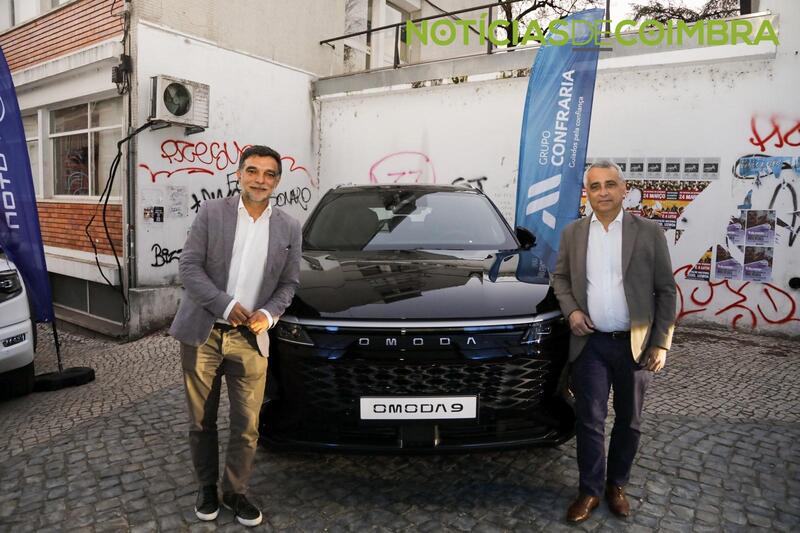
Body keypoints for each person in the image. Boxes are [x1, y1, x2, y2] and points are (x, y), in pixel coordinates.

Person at [169, 145, 302, 527]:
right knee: (201, 420)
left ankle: (235, 491)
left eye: (269, 174)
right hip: (204, 332)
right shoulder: (212, 212)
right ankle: (207, 487)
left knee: (247, 424)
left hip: (251, 339)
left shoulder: (290, 227)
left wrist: (269, 313)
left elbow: (289, 283)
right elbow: (189, 267)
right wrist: (225, 305)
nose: (260, 180)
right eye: (253, 171)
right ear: (239, 174)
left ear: (277, 180)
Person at [551, 160, 676, 523]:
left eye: (610, 184)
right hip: (590, 344)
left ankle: (616, 485)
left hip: (634, 346)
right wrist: (573, 311)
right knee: (589, 420)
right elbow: (560, 279)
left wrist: (661, 343)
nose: (602, 192)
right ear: (587, 193)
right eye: (595, 186)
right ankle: (589, 490)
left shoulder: (649, 232)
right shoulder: (573, 233)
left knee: (629, 421)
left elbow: (666, 290)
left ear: (624, 190)